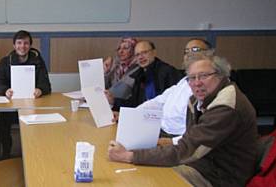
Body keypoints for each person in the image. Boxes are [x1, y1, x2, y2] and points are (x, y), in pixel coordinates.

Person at [108, 55, 258, 187]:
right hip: (201, 164)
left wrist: (129, 156)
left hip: (218, 177)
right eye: (192, 78)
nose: (197, 83)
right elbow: (188, 144)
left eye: (204, 76)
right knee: (142, 171)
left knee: (148, 178)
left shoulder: (226, 107)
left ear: (221, 75)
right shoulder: (197, 100)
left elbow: (187, 150)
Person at [137, 38, 214, 142]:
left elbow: (203, 132)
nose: (189, 54)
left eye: (195, 50)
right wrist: (130, 114)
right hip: (160, 130)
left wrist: (172, 142)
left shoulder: (210, 85)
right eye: (186, 51)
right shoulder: (184, 81)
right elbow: (158, 101)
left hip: (178, 140)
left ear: (210, 55)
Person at [0, 30, 52, 158]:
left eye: (26, 43)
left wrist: (40, 90)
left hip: (32, 105)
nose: (22, 46)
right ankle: (6, 151)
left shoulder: (38, 61)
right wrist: (5, 90)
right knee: (2, 118)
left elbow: (46, 85)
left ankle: (33, 152)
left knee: (37, 125)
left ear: (30, 45)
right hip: (10, 106)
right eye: (19, 43)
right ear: (14, 45)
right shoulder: (5, 62)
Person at [109, 40, 182, 109]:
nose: (140, 57)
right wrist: (114, 101)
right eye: (137, 55)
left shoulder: (167, 72)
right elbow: (135, 104)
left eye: (144, 52)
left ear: (154, 52)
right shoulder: (139, 75)